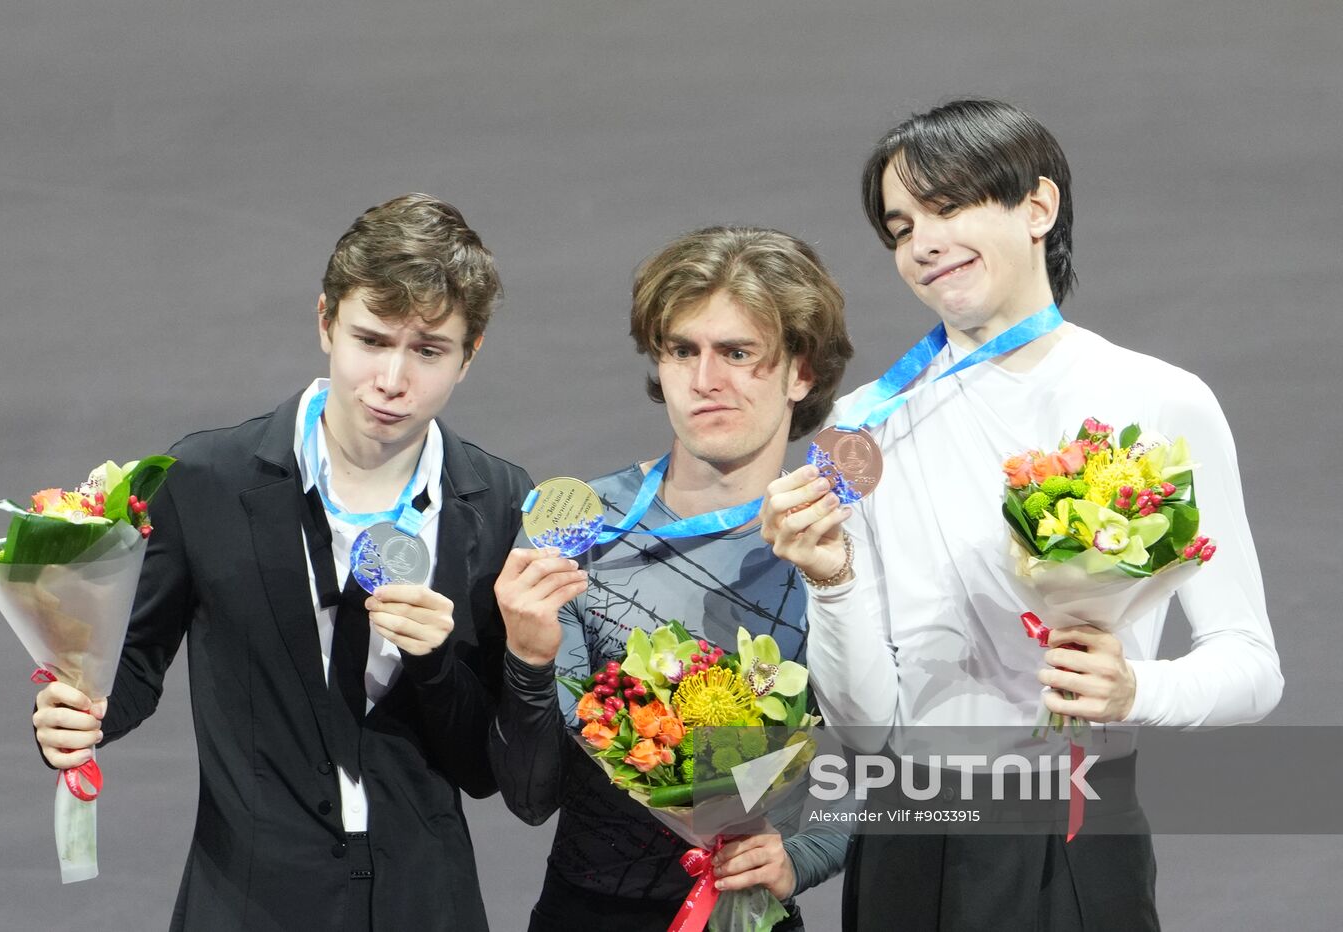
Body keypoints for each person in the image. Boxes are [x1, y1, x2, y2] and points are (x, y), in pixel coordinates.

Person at [761, 99, 1283, 931]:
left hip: (1081, 826)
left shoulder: (1162, 400)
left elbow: (1252, 665)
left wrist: (1135, 689)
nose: (922, 243)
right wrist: (831, 581)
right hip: (911, 832)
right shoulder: (862, 429)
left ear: (1037, 207)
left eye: (947, 207)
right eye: (900, 228)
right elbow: (864, 728)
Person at [30, 194, 531, 931]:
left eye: (428, 351)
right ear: (325, 321)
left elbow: (484, 769)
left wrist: (433, 665)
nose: (393, 379)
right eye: (370, 339)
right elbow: (133, 664)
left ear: (470, 353)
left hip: (426, 902)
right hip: (247, 902)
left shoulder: (497, 502)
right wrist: (78, 713)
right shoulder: (205, 480)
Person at [488, 226, 855, 929]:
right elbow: (531, 800)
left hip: (752, 916)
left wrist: (801, 857)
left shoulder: (836, 547)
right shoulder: (576, 529)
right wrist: (526, 663)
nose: (704, 380)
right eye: (683, 350)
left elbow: (890, 762)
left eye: (737, 353)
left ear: (801, 373)